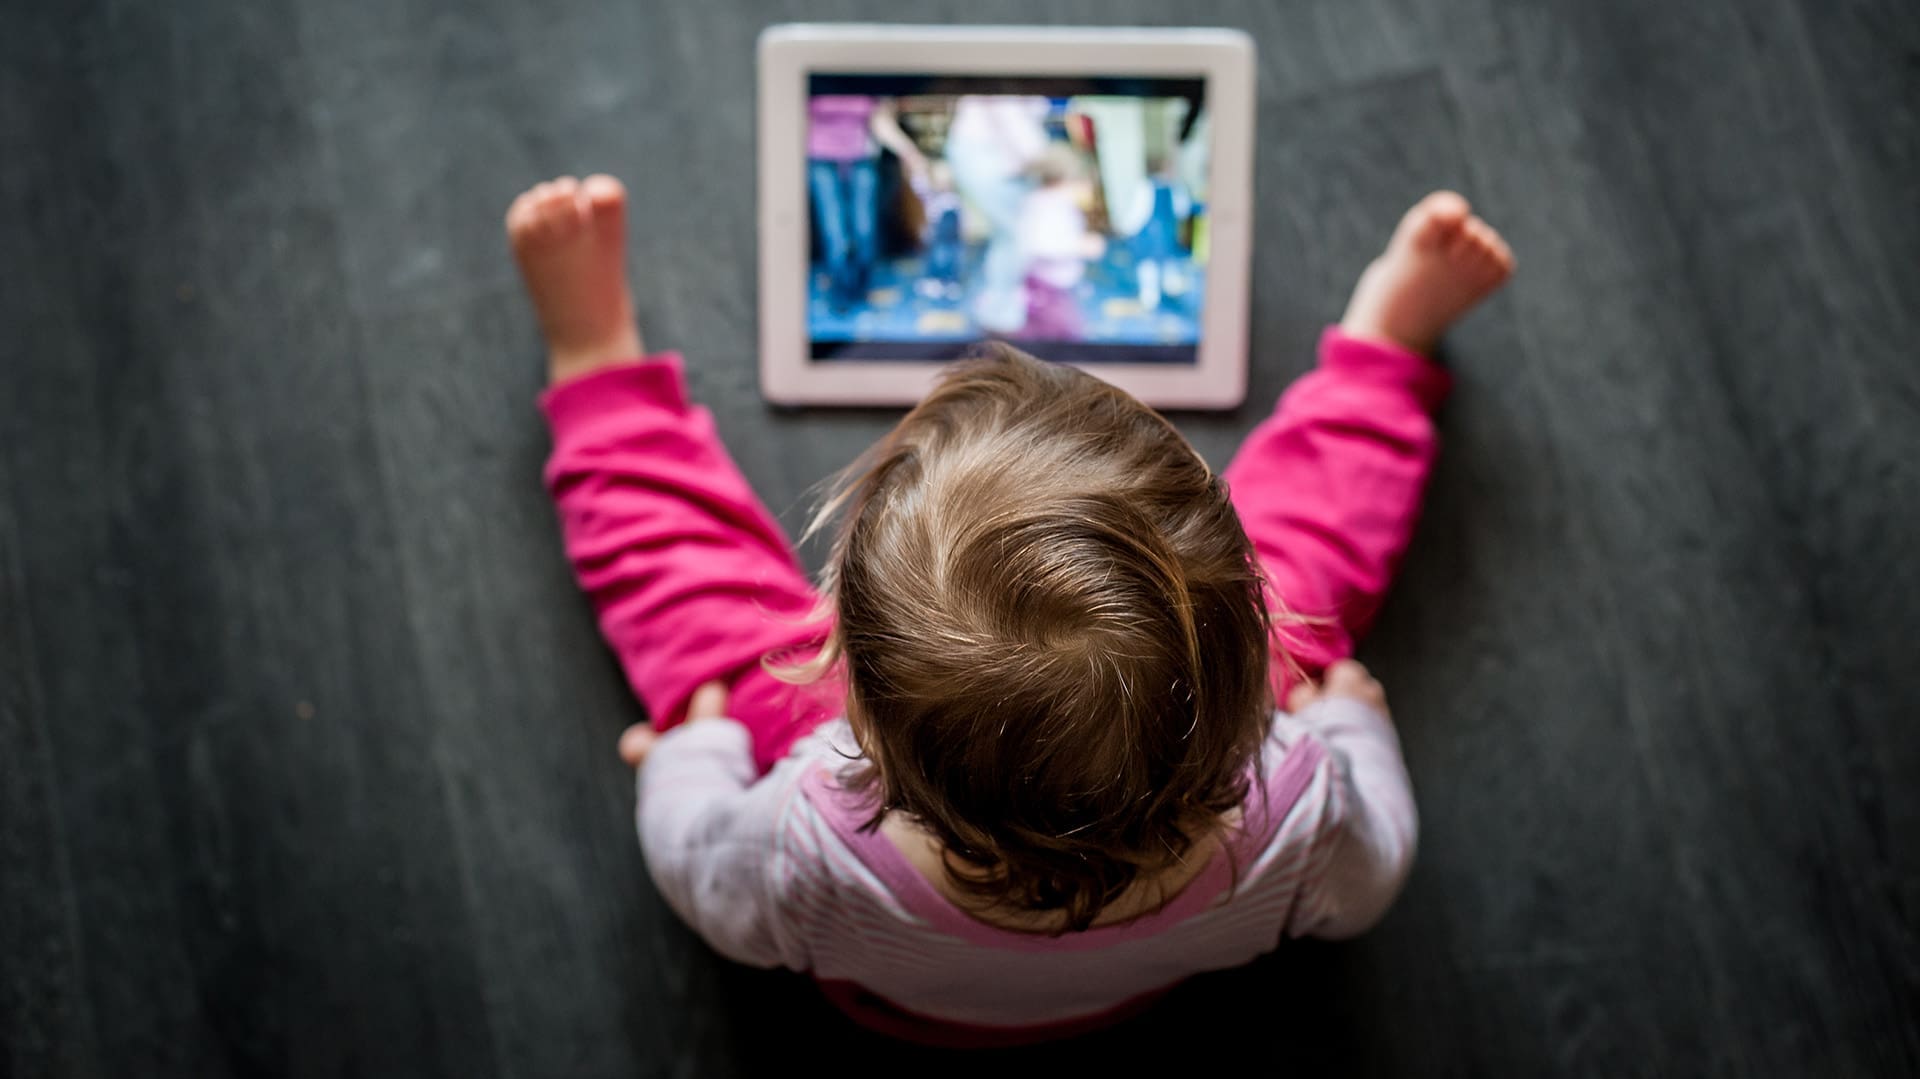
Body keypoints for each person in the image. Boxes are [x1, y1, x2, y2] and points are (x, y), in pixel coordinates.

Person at [505, 174, 1515, 1045]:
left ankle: (597, 360)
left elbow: (696, 867)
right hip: (1145, 988)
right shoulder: (1301, 810)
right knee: (1315, 547)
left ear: (849, 697)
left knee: (699, 616)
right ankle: (1384, 356)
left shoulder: (803, 841)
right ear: (1256, 654)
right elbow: (1374, 871)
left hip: (910, 1009)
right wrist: (1349, 722)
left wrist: (695, 754)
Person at [807, 96, 928, 312]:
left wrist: (910, 153)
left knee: (865, 231)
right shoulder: (819, 85)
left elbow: (881, 123)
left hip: (861, 159)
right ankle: (842, 294)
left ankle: (860, 287)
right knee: (835, 231)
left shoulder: (867, 84)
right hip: (821, 161)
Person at [944, 95, 1050, 333]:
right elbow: (1007, 114)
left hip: (1006, 160)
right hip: (986, 155)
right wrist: (1037, 156)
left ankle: (997, 311)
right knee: (1013, 234)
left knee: (1008, 236)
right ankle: (997, 314)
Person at [1014, 143, 1105, 341]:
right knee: (1062, 336)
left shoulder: (1057, 203)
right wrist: (1079, 246)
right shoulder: (1045, 205)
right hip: (1046, 289)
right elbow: (1039, 244)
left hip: (1056, 287)